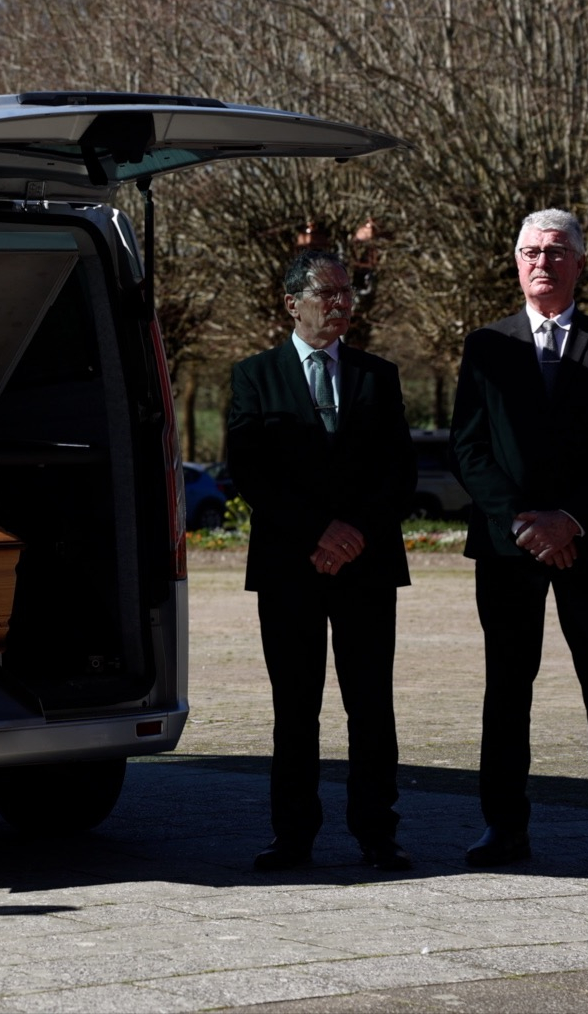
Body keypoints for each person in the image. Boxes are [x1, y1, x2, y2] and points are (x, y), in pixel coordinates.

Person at [450, 208, 588, 871]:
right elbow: (470, 448)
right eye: (531, 250)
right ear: (516, 261)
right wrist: (523, 522)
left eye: (557, 251)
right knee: (507, 687)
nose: (543, 260)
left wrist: (569, 520)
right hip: (509, 550)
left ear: (580, 264)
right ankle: (503, 827)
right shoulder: (486, 346)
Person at [226, 249, 418, 872]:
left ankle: (377, 833)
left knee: (370, 705)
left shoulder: (376, 375)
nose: (340, 304)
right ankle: (293, 836)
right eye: (327, 293)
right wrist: (319, 532)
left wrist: (354, 534)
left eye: (347, 293)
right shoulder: (255, 376)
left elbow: (400, 470)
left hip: (365, 566)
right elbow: (248, 471)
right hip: (291, 568)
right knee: (295, 707)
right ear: (292, 303)